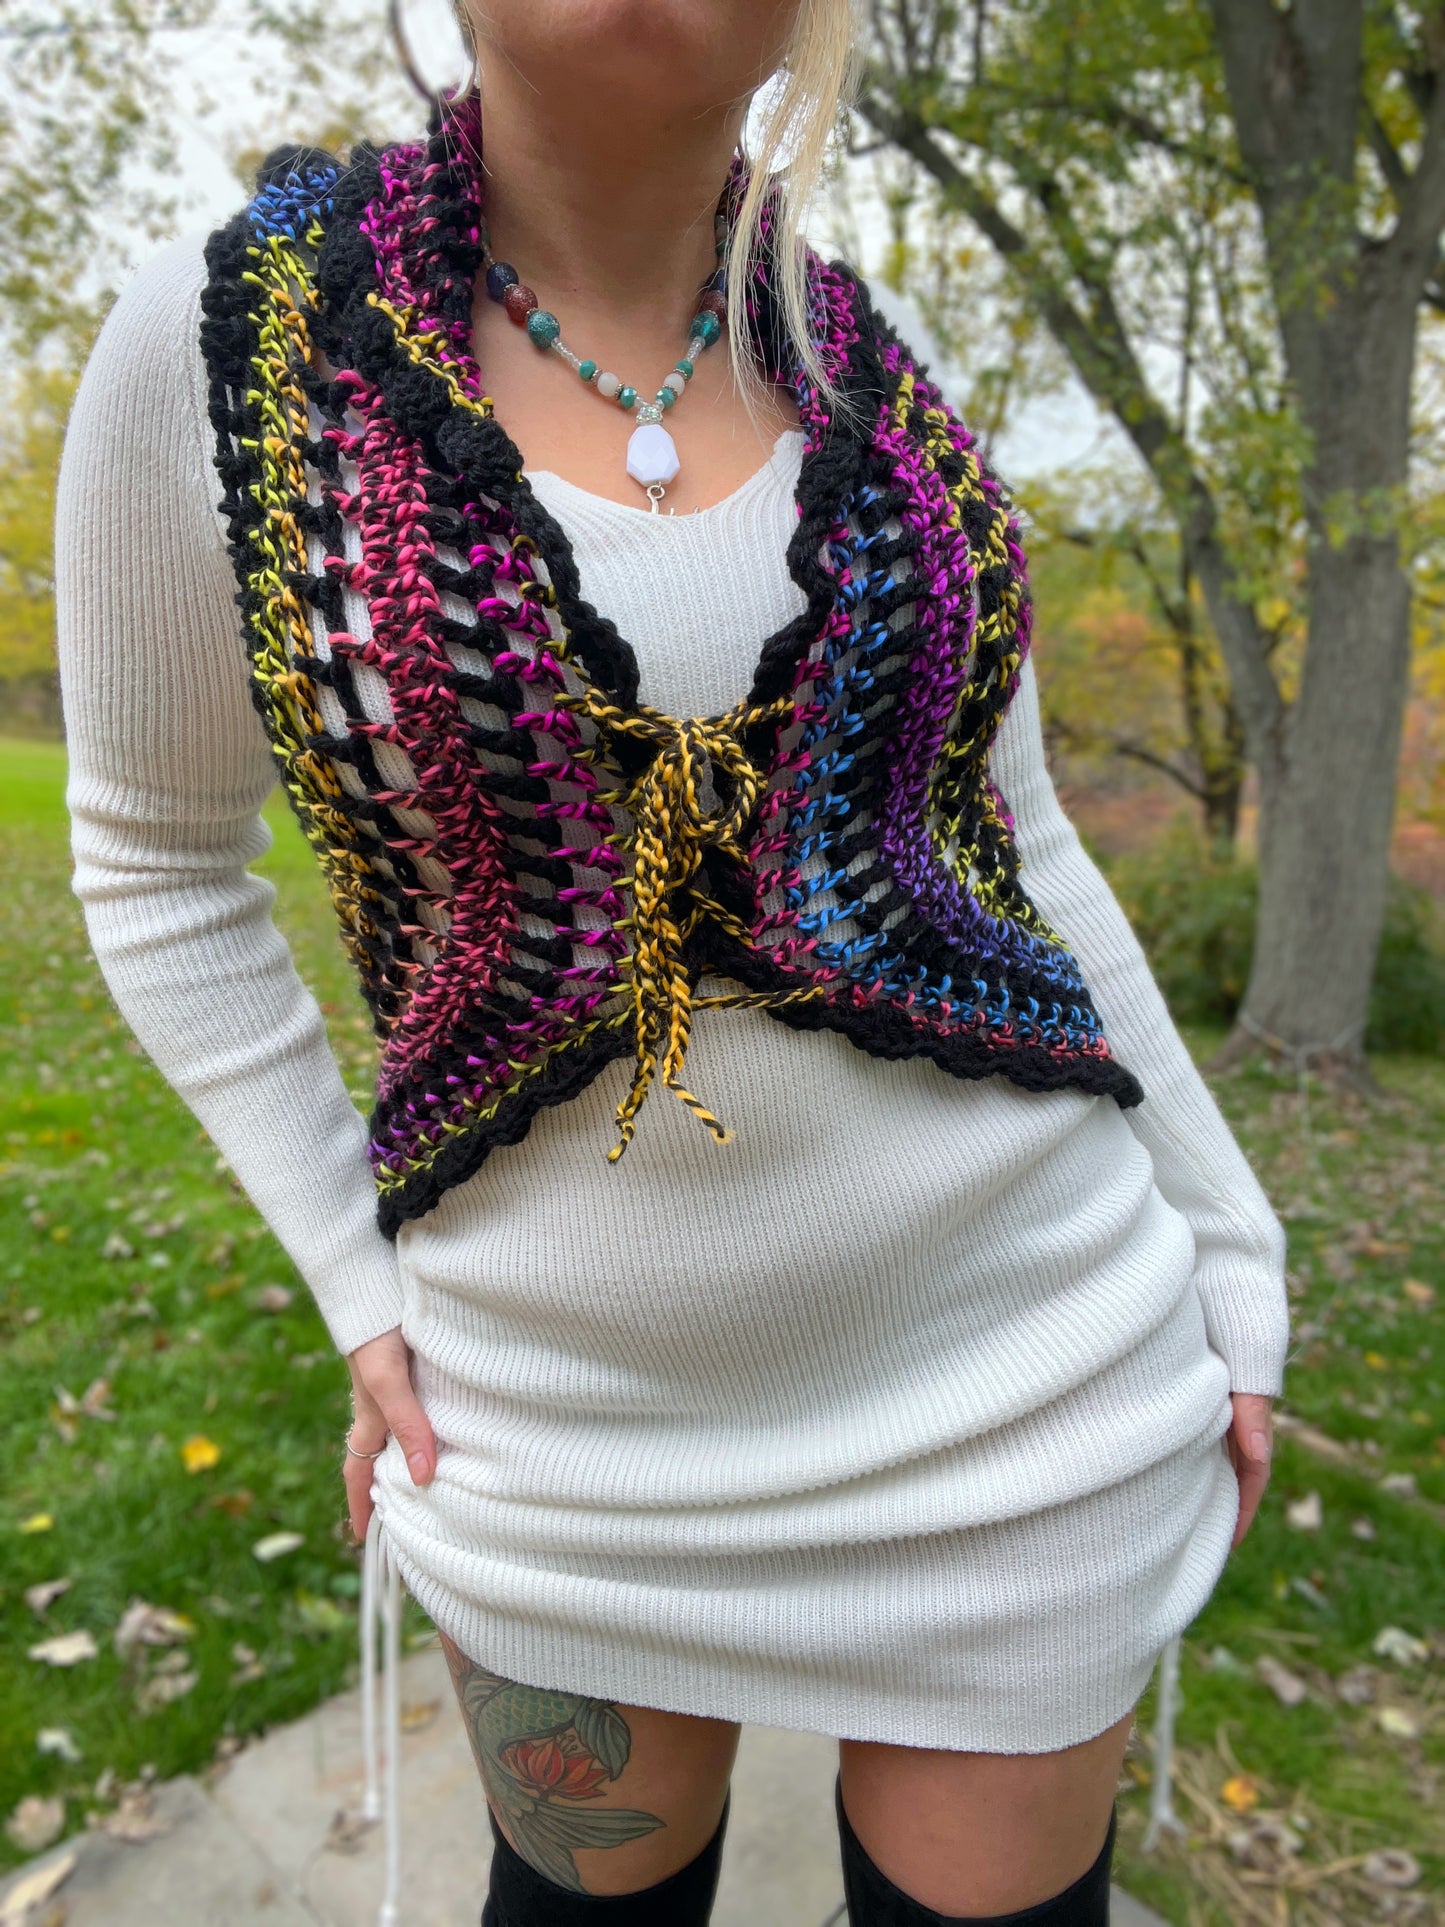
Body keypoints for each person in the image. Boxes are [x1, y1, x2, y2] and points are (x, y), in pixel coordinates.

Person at [54, 2, 1288, 1922]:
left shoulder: (874, 357)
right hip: (556, 1436)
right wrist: (357, 1291)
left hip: (1026, 1392)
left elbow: (1016, 834)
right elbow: (152, 861)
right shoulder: (241, 346)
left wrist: (1225, 1233)